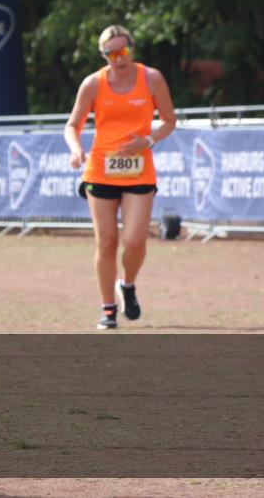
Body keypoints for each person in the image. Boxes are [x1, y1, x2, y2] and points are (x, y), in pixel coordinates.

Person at [64, 25, 176, 330]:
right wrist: (76, 150)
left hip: (139, 168)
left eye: (123, 51)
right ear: (104, 55)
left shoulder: (151, 78)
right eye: (111, 53)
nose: (119, 58)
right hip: (100, 169)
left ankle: (127, 284)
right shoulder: (93, 83)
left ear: (132, 49)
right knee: (107, 242)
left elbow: (169, 120)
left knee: (135, 240)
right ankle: (108, 308)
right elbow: (72, 125)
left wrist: (148, 141)